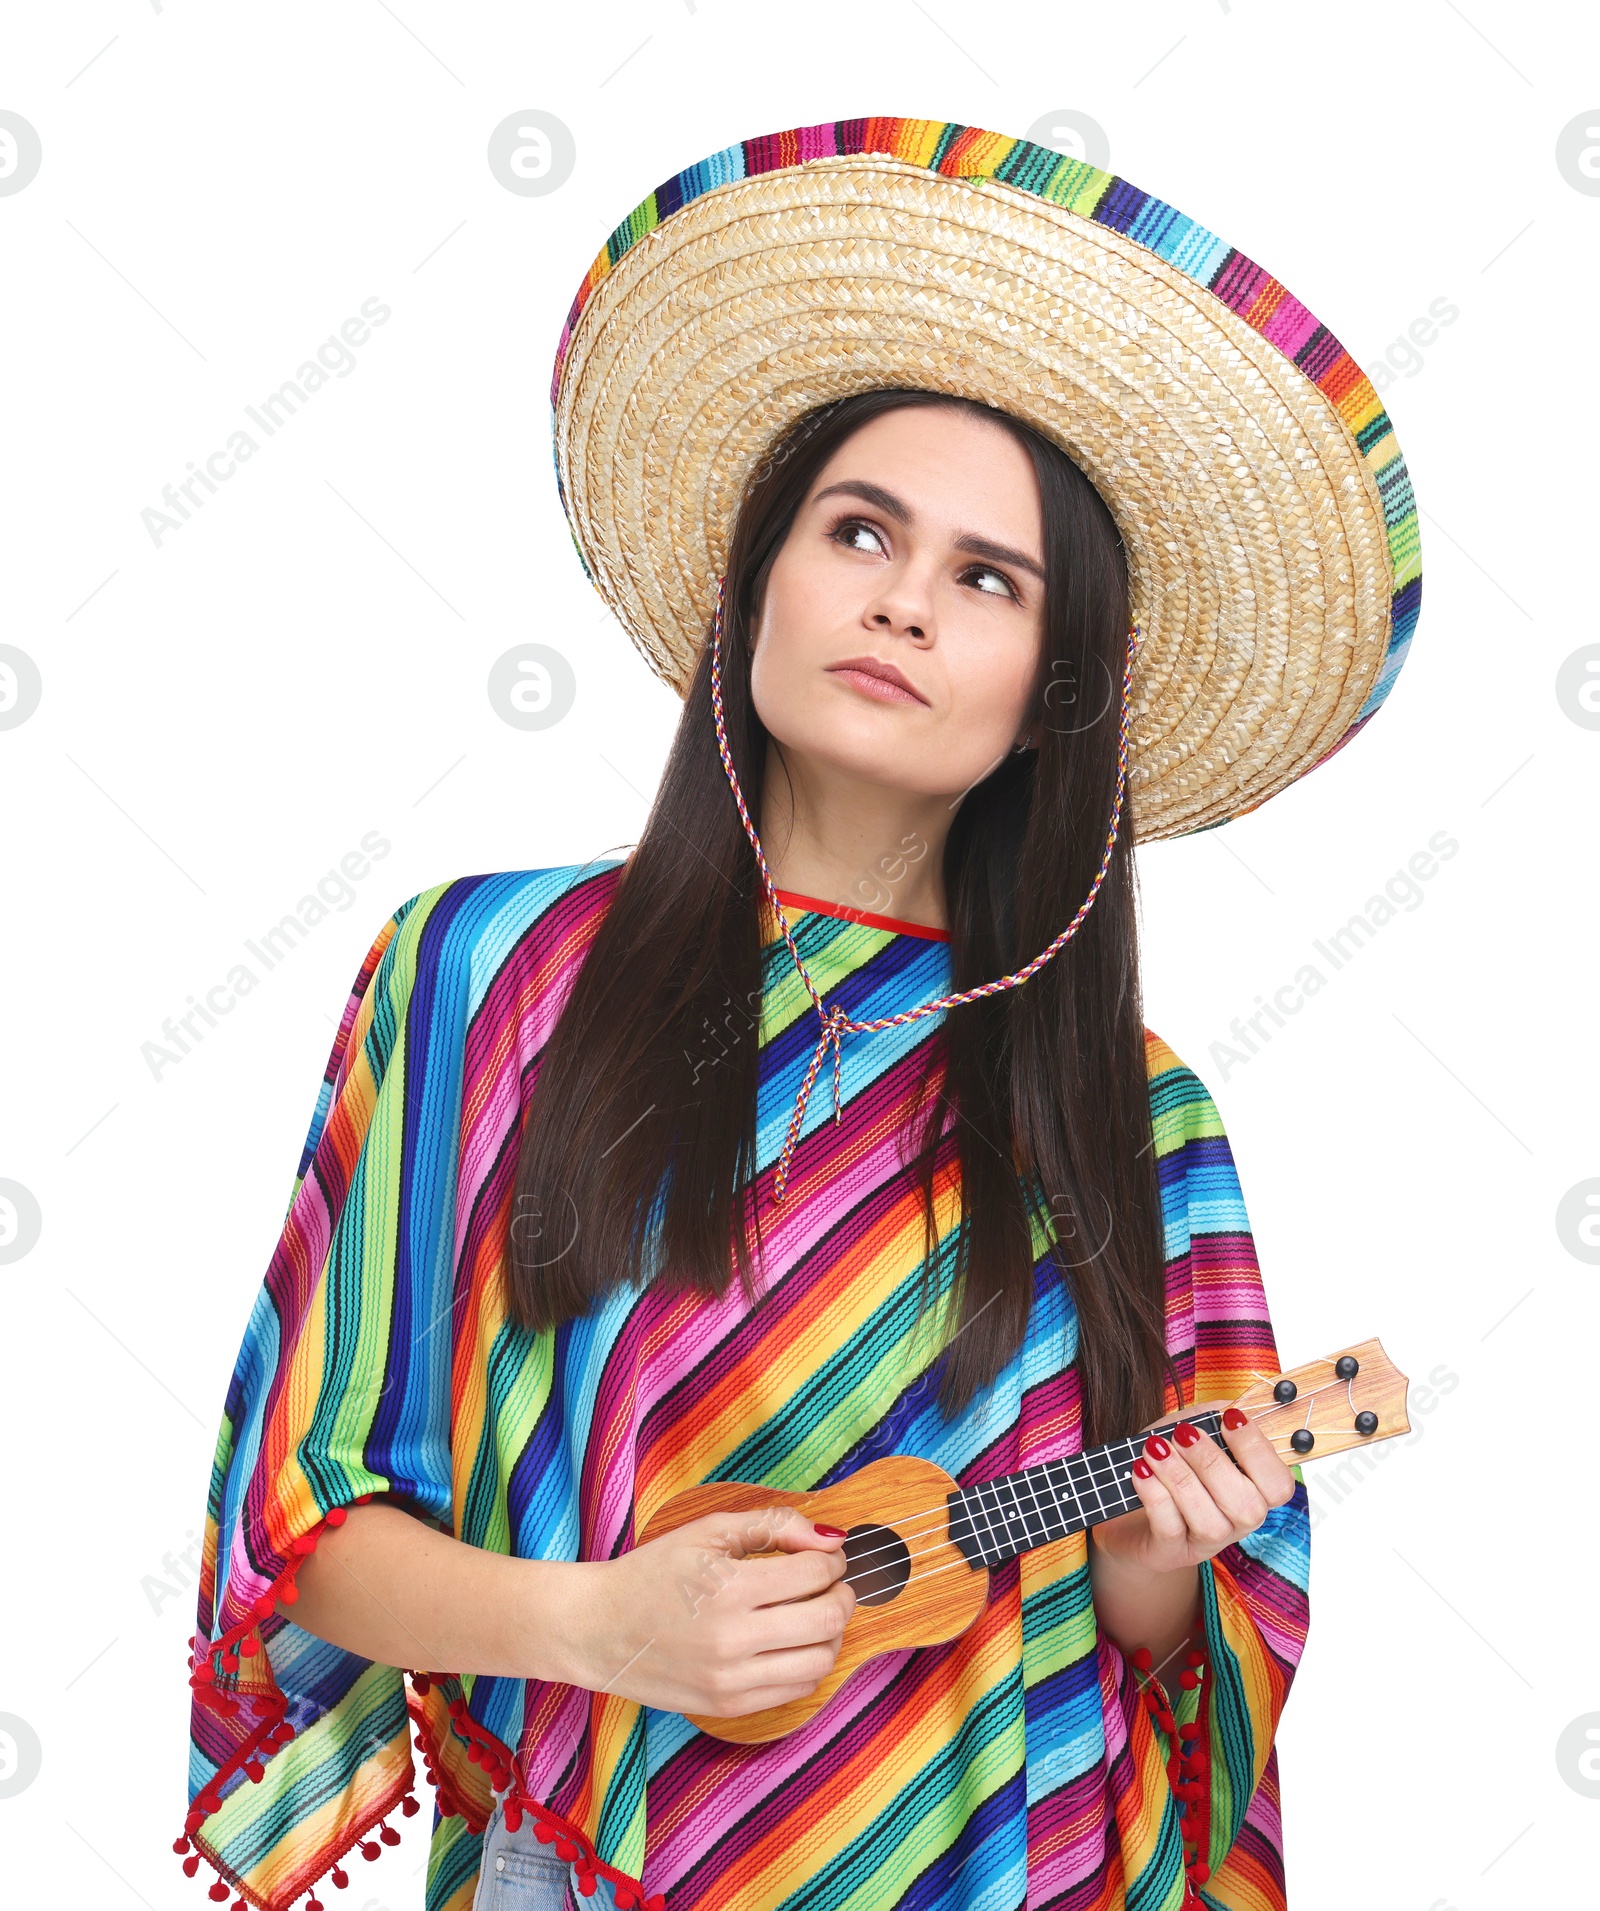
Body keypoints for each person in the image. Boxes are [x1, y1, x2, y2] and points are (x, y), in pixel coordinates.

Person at [176, 119, 1419, 1911]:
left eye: (989, 579)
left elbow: (1164, 1659)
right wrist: (599, 1626)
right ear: (758, 579)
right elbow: (307, 1529)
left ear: (1052, 694)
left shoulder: (1138, 1117)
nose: (906, 600)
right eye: (862, 530)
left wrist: (1164, 1553)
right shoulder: (484, 978)